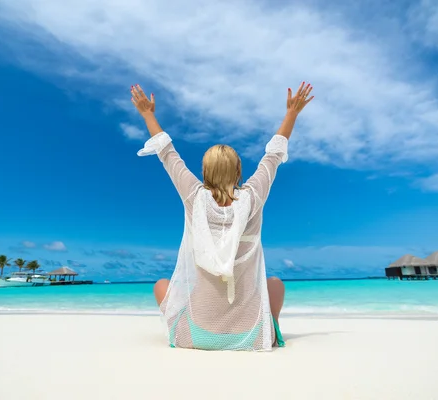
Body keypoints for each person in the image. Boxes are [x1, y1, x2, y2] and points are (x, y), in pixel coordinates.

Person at [132, 82, 314, 351]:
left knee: (163, 285)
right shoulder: (253, 198)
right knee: (275, 284)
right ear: (239, 171)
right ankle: (271, 325)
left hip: (196, 337)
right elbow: (273, 155)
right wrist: (292, 114)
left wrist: (147, 113)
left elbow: (168, 154)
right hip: (253, 336)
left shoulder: (194, 198)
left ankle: (207, 323)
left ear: (205, 173)